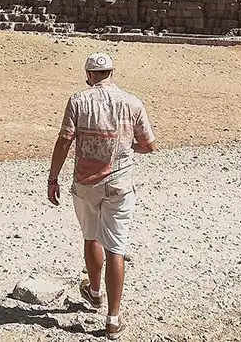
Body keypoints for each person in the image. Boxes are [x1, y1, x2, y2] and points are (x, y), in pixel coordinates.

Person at [47, 52, 156, 339]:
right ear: (112, 73)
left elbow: (64, 140)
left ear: (89, 75)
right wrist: (126, 147)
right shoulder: (132, 102)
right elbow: (148, 144)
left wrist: (53, 178)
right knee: (116, 249)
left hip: (85, 184)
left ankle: (95, 294)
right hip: (120, 185)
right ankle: (113, 319)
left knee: (91, 237)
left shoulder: (78, 100)